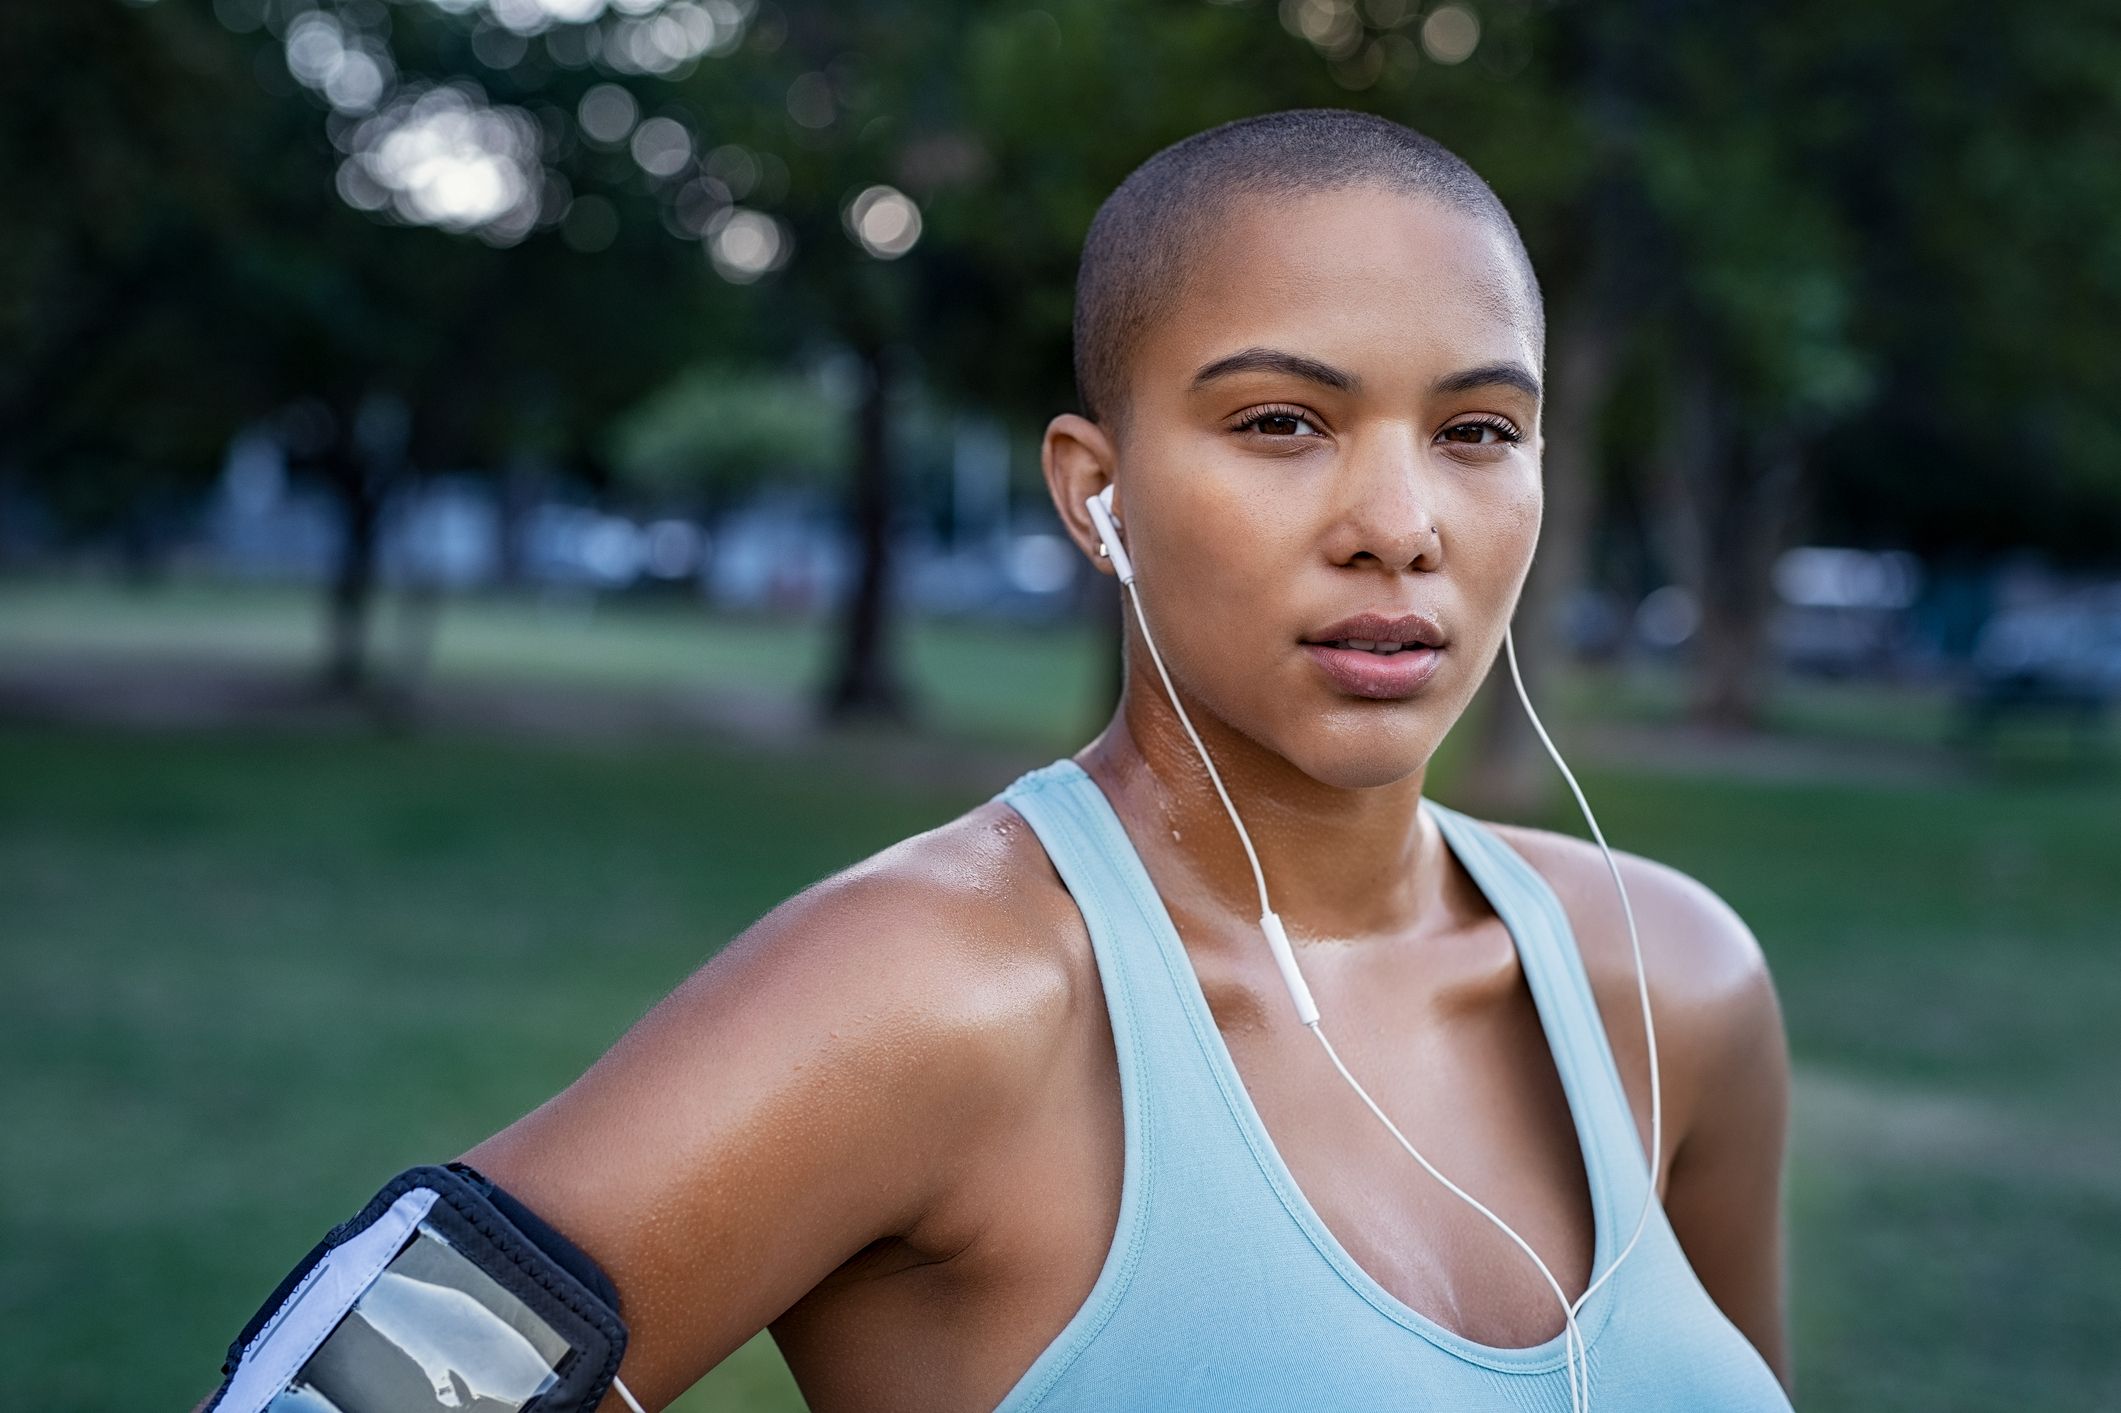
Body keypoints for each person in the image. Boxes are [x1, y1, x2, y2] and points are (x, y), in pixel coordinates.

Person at [455, 109, 1794, 1410]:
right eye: (1282, 421)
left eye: (1476, 431)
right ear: (1093, 490)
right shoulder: (927, 1000)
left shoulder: (1672, 983)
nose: (1399, 524)